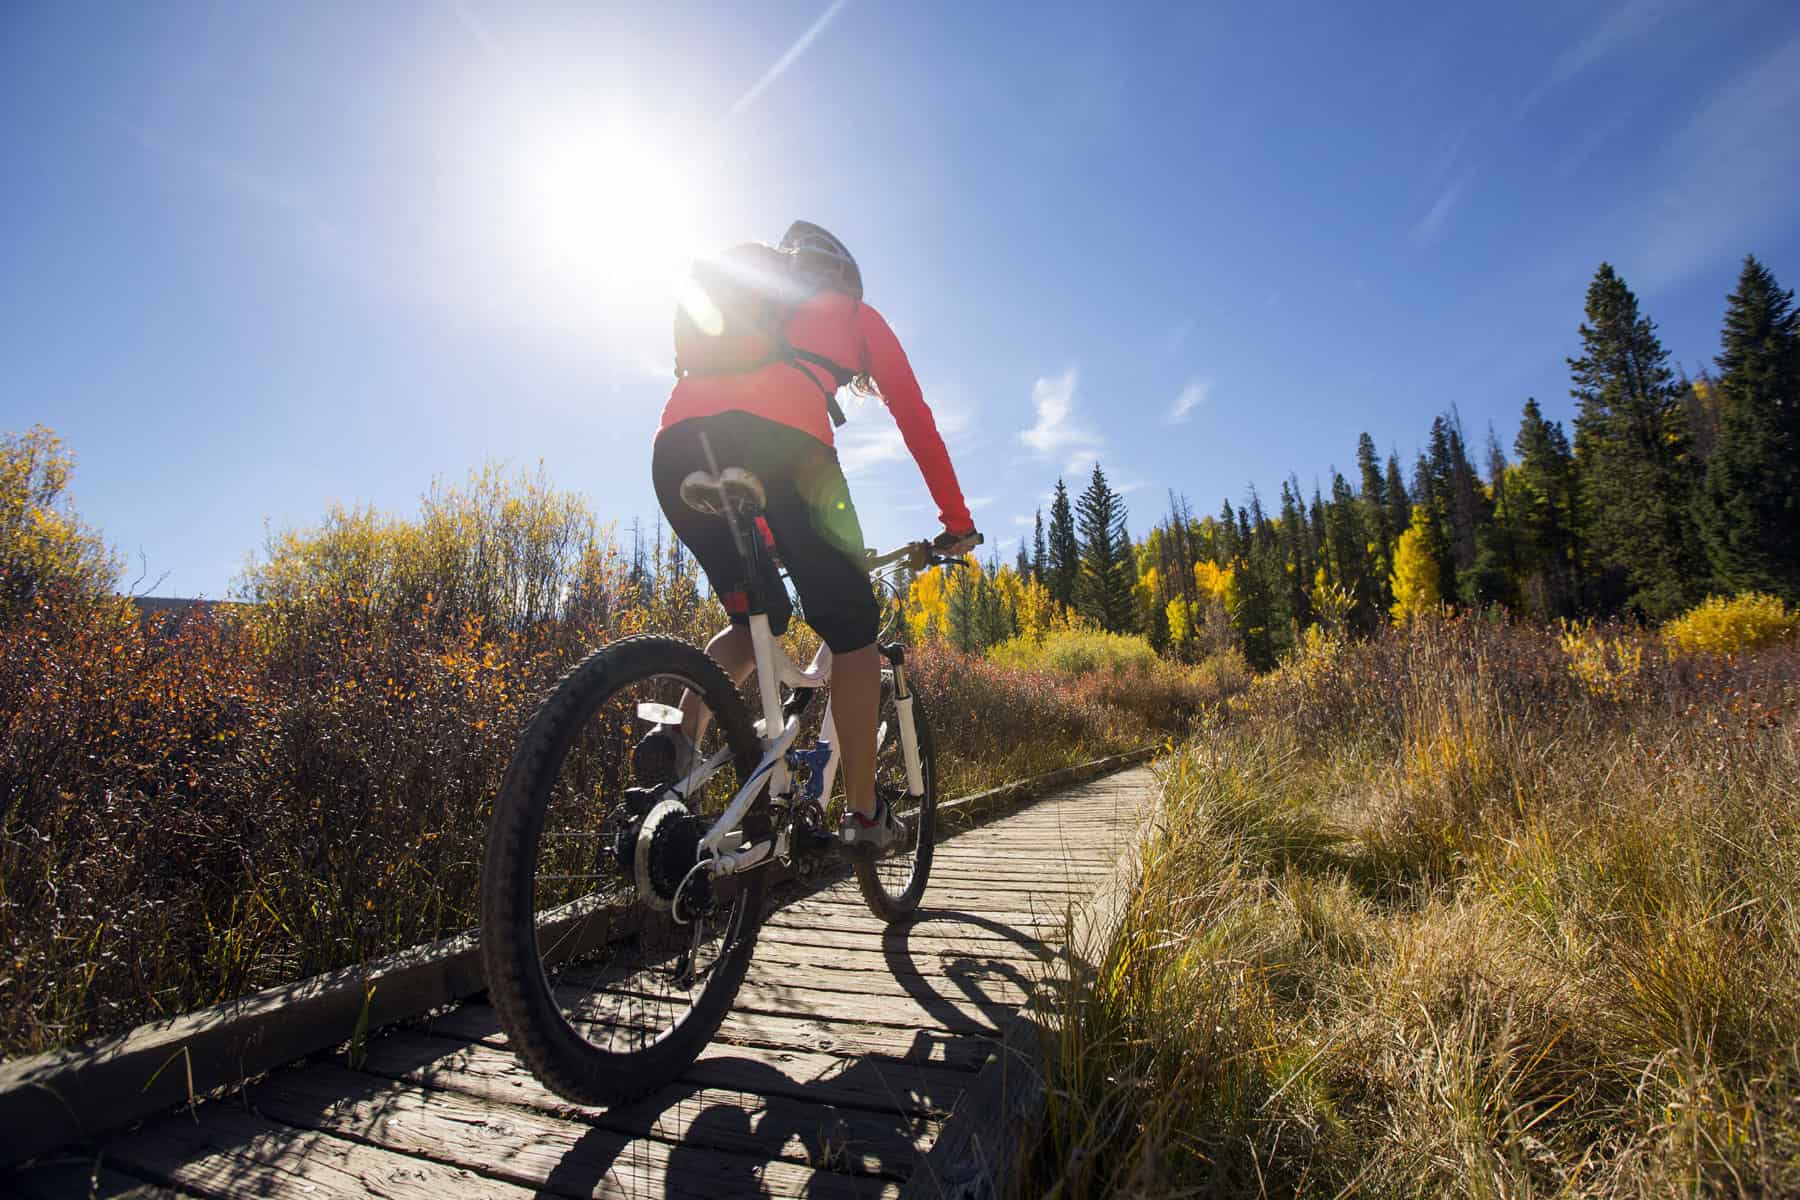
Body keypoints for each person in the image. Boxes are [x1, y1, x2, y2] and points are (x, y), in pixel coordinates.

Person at [643, 221, 979, 850]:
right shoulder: (854, 314)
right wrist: (956, 523)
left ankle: (677, 745)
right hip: (787, 450)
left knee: (754, 620)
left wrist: (769, 532)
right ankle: (864, 815)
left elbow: (738, 447)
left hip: (679, 446)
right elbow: (916, 419)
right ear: (845, 278)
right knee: (854, 635)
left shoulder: (756, 300)